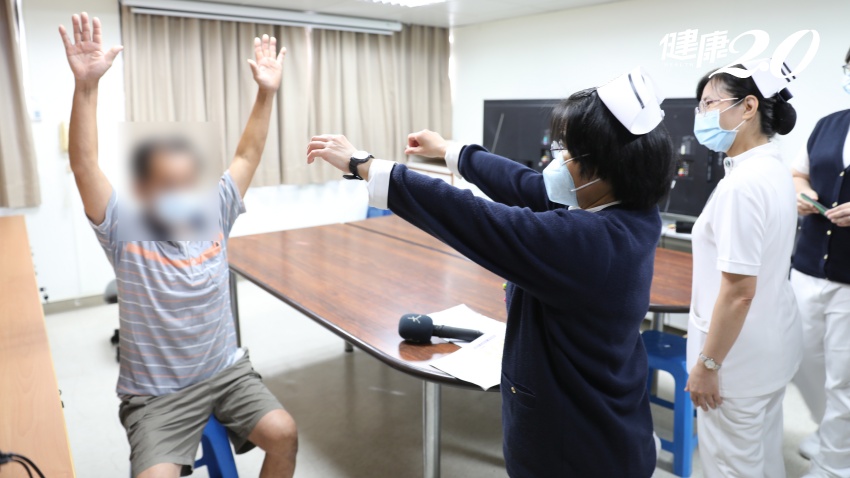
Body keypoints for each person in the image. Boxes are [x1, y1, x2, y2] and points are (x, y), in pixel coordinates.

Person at [306, 68, 675, 477]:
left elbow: (476, 219)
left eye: (567, 153)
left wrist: (367, 166)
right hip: (606, 424)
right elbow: (524, 184)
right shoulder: (631, 211)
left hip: (576, 450)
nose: (557, 162)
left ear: (605, 166)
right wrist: (450, 150)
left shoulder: (591, 243)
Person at [59, 12, 297, 478]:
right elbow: (84, 165)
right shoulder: (125, 227)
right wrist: (86, 87)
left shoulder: (214, 209)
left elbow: (247, 153)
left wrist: (266, 92)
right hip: (158, 396)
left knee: (284, 432)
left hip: (226, 374)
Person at [685, 59, 802, 477]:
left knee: (732, 466)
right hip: (769, 349)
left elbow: (738, 292)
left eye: (709, 103)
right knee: (763, 459)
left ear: (748, 106)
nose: (701, 115)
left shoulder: (742, 185)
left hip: (734, 363)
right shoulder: (772, 168)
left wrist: (708, 365)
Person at [791, 46, 850, 478]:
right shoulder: (829, 124)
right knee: (801, 361)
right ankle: (830, 430)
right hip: (808, 266)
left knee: (843, 379)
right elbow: (800, 173)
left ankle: (833, 465)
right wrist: (803, 194)